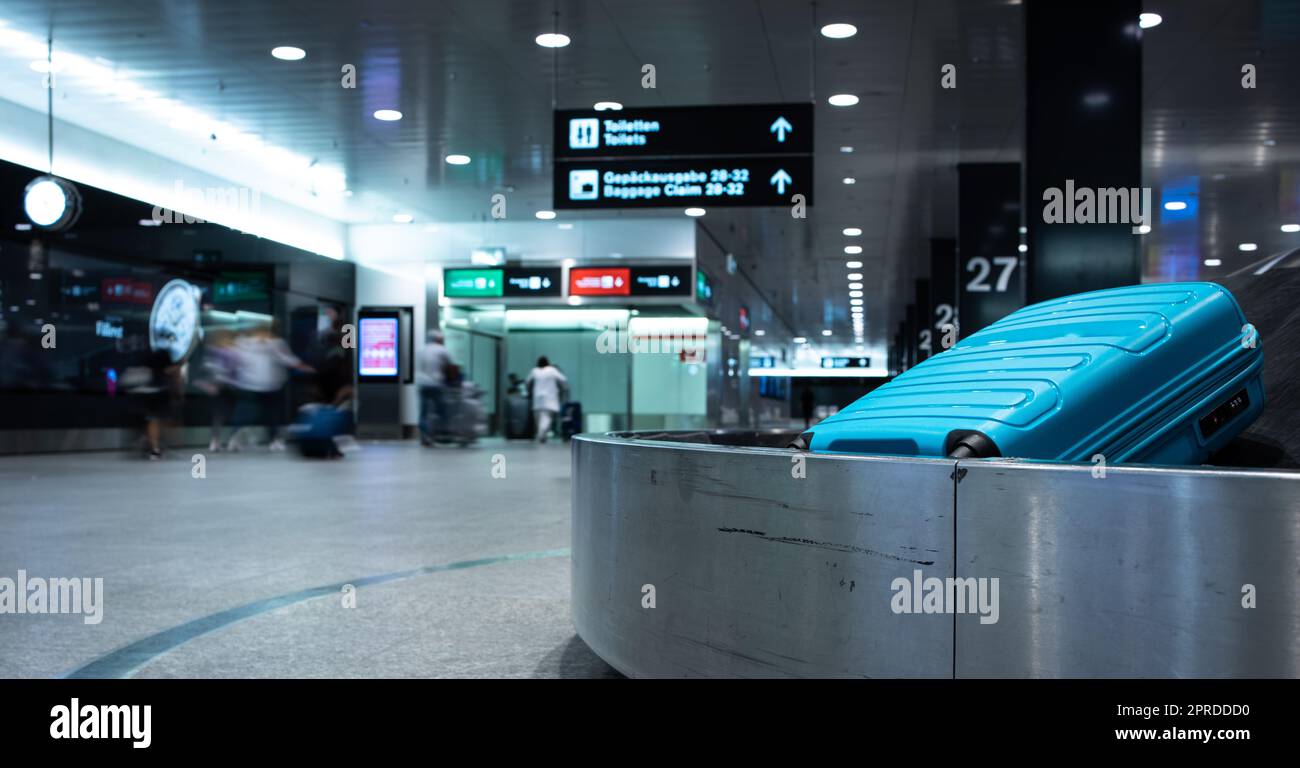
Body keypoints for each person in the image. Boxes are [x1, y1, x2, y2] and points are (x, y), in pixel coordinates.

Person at [228, 322, 312, 451]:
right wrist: (304, 367)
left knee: (244, 413)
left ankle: (235, 438)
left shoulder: (243, 343)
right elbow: (287, 359)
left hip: (248, 384)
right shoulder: (275, 343)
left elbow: (235, 358)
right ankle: (274, 440)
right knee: (272, 415)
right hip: (270, 385)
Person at [416, 329, 453, 446]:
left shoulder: (421, 350)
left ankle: (424, 436)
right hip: (436, 384)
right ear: (438, 339)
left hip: (422, 384)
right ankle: (440, 434)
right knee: (442, 410)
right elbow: (450, 366)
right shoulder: (442, 350)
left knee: (424, 412)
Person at [525, 356, 568, 444]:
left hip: (537, 397)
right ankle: (542, 434)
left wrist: (529, 391)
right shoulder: (552, 370)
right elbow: (563, 379)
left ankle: (541, 434)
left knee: (539, 418)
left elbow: (527, 382)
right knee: (547, 418)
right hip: (550, 397)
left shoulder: (535, 371)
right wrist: (563, 389)